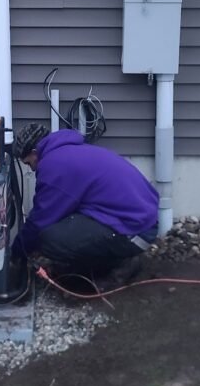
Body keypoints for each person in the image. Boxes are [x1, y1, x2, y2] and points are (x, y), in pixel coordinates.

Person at [10, 123, 159, 287]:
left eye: (28, 163)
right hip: (141, 220)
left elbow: (40, 221)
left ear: (34, 152)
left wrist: (17, 253)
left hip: (136, 231)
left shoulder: (54, 165)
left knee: (50, 238)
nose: (31, 168)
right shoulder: (72, 151)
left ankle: (120, 266)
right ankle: (114, 260)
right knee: (66, 225)